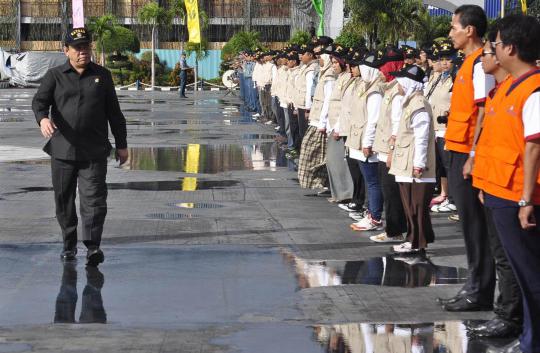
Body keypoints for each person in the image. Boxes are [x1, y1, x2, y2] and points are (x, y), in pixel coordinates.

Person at [32, 27, 128, 267]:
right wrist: (43, 119)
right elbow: (39, 102)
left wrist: (122, 145)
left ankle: (93, 246)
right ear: (66, 50)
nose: (83, 51)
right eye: (77, 47)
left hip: (94, 151)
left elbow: (114, 114)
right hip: (63, 151)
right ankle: (68, 244)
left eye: (86, 46)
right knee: (63, 200)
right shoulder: (54, 75)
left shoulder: (102, 76)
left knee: (94, 200)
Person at [472, 14, 540, 353]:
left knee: (530, 275)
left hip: (518, 196)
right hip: (500, 190)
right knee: (521, 273)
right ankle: (528, 336)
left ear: (511, 47)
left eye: (495, 45)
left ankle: (533, 341)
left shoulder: (534, 89)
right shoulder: (507, 87)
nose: (493, 50)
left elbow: (533, 147)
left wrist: (527, 199)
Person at [439, 4, 497, 312]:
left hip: (467, 152)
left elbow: (485, 112)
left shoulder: (480, 64)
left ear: (469, 30)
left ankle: (480, 289)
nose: (450, 34)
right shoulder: (468, 62)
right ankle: (474, 284)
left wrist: (474, 153)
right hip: (457, 147)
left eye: (453, 27)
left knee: (475, 225)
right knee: (469, 224)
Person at [467, 25, 523, 340]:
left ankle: (511, 318)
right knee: (501, 255)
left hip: (512, 190)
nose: (486, 56)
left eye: (491, 50)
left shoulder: (524, 89)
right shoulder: (499, 91)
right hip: (494, 185)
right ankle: (507, 314)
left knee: (510, 259)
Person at [388, 64, 436, 255]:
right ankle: (413, 239)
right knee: (409, 205)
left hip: (414, 165)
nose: (397, 85)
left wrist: (419, 164)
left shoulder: (419, 104)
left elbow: (422, 137)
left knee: (416, 206)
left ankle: (417, 243)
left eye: (400, 81)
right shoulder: (410, 102)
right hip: (405, 162)